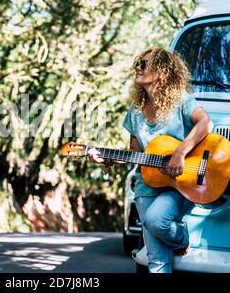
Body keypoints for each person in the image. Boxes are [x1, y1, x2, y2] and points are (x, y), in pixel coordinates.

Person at [88, 47, 213, 273]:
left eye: (144, 64)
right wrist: (107, 158)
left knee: (156, 221)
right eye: (138, 62)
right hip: (146, 185)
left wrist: (180, 152)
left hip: (182, 184)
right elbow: (134, 152)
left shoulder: (182, 101)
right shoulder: (135, 112)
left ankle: (182, 239)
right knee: (157, 260)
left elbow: (205, 123)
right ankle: (177, 244)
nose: (138, 67)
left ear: (162, 70)